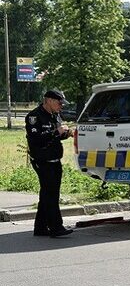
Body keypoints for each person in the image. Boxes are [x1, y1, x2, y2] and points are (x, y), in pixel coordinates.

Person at [25, 90, 75, 238]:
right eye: (59, 103)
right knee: (51, 194)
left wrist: (66, 133)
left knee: (48, 194)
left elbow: (55, 137)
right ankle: (56, 227)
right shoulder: (34, 117)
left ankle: (40, 227)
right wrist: (56, 132)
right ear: (49, 100)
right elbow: (37, 139)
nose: (61, 106)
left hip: (54, 160)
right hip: (42, 161)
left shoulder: (55, 115)